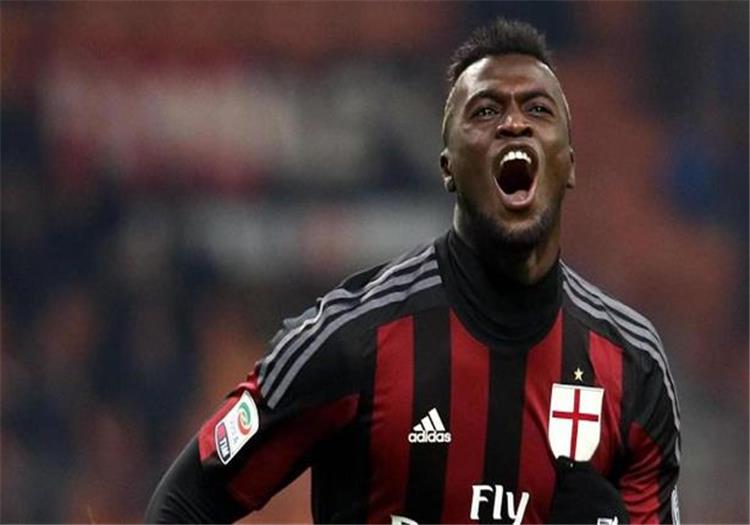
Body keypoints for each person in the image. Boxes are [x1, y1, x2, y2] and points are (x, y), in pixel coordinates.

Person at [146, 18, 680, 524]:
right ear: (448, 167)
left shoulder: (633, 368)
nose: (514, 123)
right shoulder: (353, 340)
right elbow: (184, 504)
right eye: (485, 111)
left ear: (570, 163)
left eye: (538, 109)